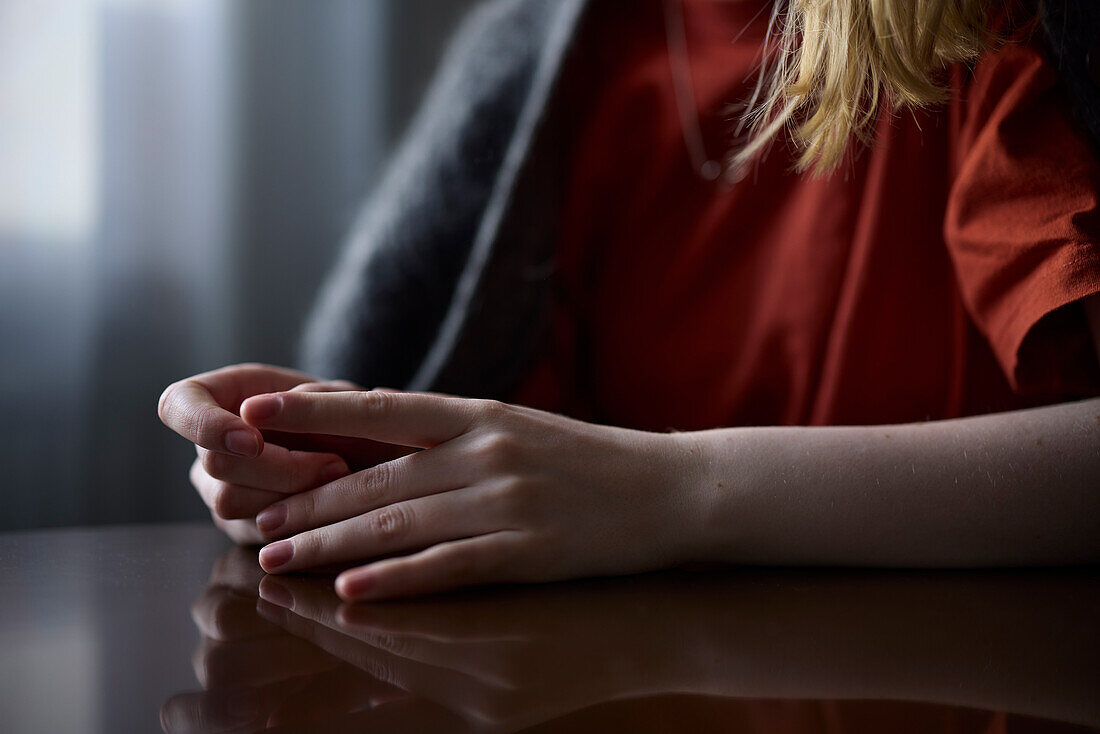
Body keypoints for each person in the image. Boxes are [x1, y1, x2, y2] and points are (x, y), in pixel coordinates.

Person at [159, 0, 1100, 601]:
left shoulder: (1004, 29)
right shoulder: (549, 62)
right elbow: (517, 455)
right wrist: (328, 474)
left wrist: (673, 493)